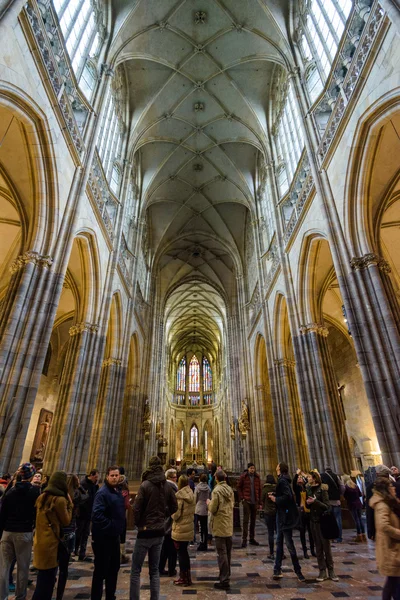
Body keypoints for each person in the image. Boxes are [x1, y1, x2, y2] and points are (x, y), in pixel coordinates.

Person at [130, 456, 177, 600]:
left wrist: (139, 524)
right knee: (155, 571)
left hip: (145, 532)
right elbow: (174, 506)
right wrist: (163, 516)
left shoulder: (145, 485)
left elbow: (136, 509)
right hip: (159, 531)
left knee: (136, 571)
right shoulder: (167, 486)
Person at [0, 462, 40, 600]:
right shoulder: (35, 492)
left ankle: (2, 596)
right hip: (24, 532)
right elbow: (36, 513)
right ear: (32, 476)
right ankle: (20, 596)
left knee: (4, 567)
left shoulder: (10, 491)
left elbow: (2, 513)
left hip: (7, 532)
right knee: (23, 567)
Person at [32, 470, 73, 600]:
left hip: (40, 541)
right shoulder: (59, 500)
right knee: (48, 582)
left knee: (42, 579)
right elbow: (66, 521)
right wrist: (70, 505)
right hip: (52, 544)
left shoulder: (41, 497)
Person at [91, 466, 125, 600]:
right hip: (103, 538)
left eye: (117, 475)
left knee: (114, 568)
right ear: (107, 476)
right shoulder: (102, 493)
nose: (115, 478)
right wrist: (112, 526)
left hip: (114, 537)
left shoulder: (116, 491)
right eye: (112, 475)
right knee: (100, 571)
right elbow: (97, 515)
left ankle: (110, 596)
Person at [268, 462, 305, 583]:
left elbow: (288, 497)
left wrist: (275, 499)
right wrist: (275, 494)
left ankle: (298, 571)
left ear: (280, 468)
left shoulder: (282, 481)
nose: (276, 466)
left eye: (277, 465)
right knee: (279, 543)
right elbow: (285, 495)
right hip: (282, 515)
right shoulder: (283, 480)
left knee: (289, 544)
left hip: (284, 516)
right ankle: (277, 569)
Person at [56, 474, 88, 600]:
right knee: (62, 564)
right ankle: (58, 591)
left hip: (63, 532)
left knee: (58, 563)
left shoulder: (63, 496)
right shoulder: (70, 497)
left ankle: (55, 584)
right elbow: (86, 497)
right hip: (66, 532)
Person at [369, 476, 400, 600]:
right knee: (393, 582)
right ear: (386, 489)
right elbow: (384, 525)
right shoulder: (382, 505)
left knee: (392, 582)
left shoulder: (388, 502)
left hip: (391, 547)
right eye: (391, 486)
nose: (394, 488)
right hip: (389, 546)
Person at [306, 469, 338, 582]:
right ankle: (322, 571)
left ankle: (331, 571)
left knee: (326, 547)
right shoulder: (308, 489)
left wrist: (315, 502)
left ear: (314, 478)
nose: (308, 478)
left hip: (322, 521)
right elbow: (308, 506)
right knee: (318, 548)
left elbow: (327, 506)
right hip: (313, 521)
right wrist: (308, 503)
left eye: (309, 477)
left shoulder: (323, 489)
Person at [207, 470, 234, 590]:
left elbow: (213, 509)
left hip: (219, 524)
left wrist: (208, 503)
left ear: (216, 479)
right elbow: (232, 505)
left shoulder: (217, 490)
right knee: (227, 552)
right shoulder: (229, 489)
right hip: (228, 523)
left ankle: (224, 580)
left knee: (221, 553)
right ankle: (227, 574)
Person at [171, 475, 195, 586]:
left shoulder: (180, 496)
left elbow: (176, 514)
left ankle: (183, 578)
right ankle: (187, 577)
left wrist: (171, 514)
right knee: (184, 553)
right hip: (188, 526)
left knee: (181, 554)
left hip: (181, 528)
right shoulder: (191, 493)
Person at [75, 469, 99, 561]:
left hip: (89, 513)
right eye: (96, 477)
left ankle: (82, 553)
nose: (96, 479)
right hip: (82, 513)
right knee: (79, 533)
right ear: (91, 475)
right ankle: (75, 549)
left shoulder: (94, 485)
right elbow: (80, 499)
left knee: (85, 534)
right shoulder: (83, 484)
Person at [159, 469, 178, 577]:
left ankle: (161, 568)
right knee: (172, 547)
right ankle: (171, 569)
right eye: (175, 477)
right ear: (171, 478)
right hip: (170, 522)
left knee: (164, 547)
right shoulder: (172, 488)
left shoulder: (162, 487)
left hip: (164, 522)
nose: (176, 479)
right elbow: (174, 506)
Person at [237, 462, 261, 547]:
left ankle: (251, 538)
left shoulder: (257, 477)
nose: (252, 470)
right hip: (247, 500)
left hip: (255, 501)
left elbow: (259, 489)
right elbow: (239, 487)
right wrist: (242, 498)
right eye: (251, 468)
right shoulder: (243, 476)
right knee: (245, 521)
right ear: (248, 469)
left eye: (253, 468)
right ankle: (244, 539)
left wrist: (260, 502)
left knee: (253, 521)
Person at [293, 470, 315, 558]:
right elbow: (294, 483)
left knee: (311, 532)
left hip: (309, 511)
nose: (299, 479)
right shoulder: (297, 488)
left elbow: (309, 481)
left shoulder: (307, 487)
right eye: (298, 478)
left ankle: (312, 550)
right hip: (301, 511)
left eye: (300, 478)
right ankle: (305, 551)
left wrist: (303, 475)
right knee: (302, 532)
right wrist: (296, 474)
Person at [321, 466, 344, 543]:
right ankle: (339, 537)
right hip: (336, 501)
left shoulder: (322, 476)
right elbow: (342, 487)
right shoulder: (336, 476)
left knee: (330, 520)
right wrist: (340, 494)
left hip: (327, 502)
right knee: (338, 520)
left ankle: (332, 537)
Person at [343, 475, 366, 542]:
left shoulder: (346, 487)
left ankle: (359, 535)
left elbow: (345, 497)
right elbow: (360, 494)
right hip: (358, 504)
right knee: (360, 519)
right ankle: (363, 534)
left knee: (356, 520)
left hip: (352, 505)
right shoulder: (355, 486)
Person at [261, 474, 277, 559]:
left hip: (268, 512)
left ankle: (271, 553)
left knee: (270, 533)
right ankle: (280, 552)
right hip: (277, 512)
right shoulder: (277, 487)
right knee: (278, 533)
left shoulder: (265, 489)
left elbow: (262, 499)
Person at [195, 473, 211, 551]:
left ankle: (201, 543)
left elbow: (195, 498)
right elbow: (209, 498)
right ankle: (205, 543)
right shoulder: (208, 488)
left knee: (201, 527)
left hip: (199, 508)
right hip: (206, 508)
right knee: (205, 526)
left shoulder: (197, 488)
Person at [118, 474, 130, 565]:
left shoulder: (112, 490)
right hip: (121, 516)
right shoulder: (125, 491)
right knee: (122, 536)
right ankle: (121, 555)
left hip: (113, 516)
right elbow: (126, 505)